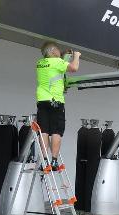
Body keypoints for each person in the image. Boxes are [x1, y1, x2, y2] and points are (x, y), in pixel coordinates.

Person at [36, 41, 81, 170]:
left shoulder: (40, 63)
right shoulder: (58, 62)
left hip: (42, 100)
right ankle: (54, 161)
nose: (58, 51)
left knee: (43, 131)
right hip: (56, 101)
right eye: (57, 50)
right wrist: (76, 56)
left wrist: (63, 55)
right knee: (56, 131)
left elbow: (55, 66)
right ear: (53, 51)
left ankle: (45, 161)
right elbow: (74, 68)